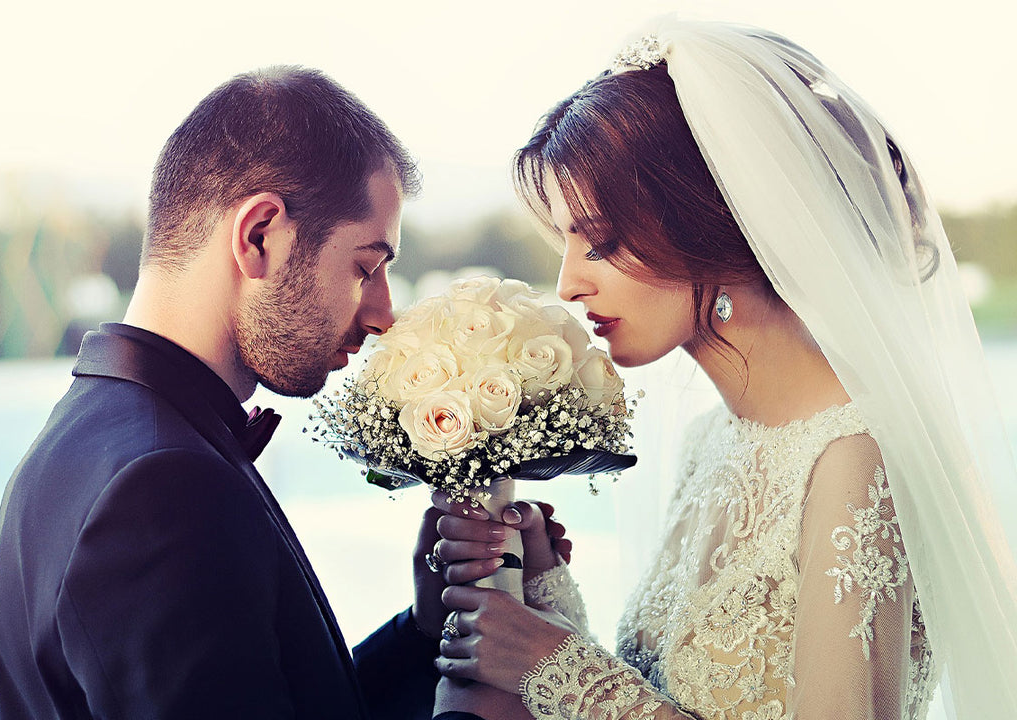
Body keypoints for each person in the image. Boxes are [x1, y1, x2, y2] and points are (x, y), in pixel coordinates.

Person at [429, 17, 1017, 720]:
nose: (568, 284)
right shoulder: (714, 439)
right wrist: (543, 591)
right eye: (566, 243)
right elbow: (666, 696)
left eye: (603, 241)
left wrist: (559, 668)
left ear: (712, 221)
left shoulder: (856, 459)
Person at [0, 65, 455, 720]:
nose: (383, 315)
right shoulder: (162, 489)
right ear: (260, 235)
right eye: (366, 267)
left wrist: (425, 632)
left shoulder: (94, 436)